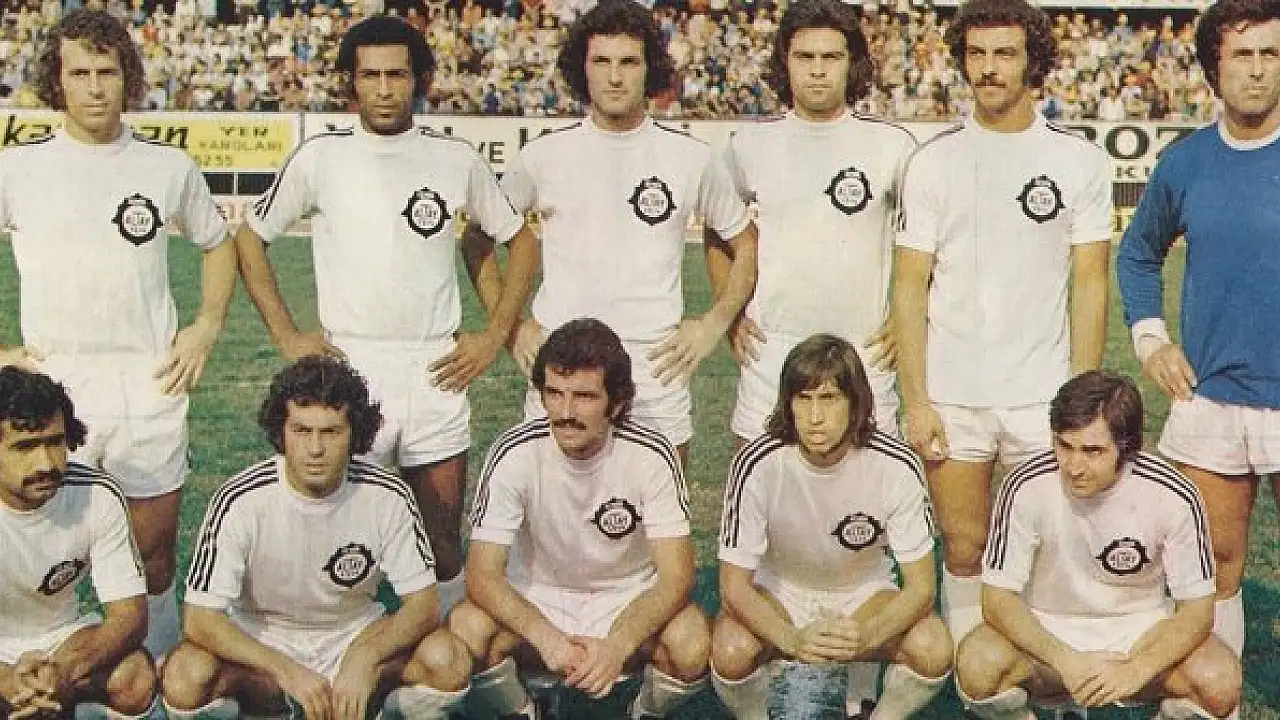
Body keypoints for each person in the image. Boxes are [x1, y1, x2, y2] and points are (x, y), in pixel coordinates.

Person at [236, 15, 538, 616]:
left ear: (418, 80)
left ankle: (449, 658)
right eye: (369, 76)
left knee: (441, 539)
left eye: (396, 75)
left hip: (435, 368)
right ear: (350, 82)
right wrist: (289, 337)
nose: (383, 89)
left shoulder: (454, 158)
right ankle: (348, 646)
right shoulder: (321, 157)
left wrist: (494, 337)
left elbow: (520, 240)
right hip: (352, 363)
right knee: (347, 536)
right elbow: (250, 238)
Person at [0, 9, 235, 658]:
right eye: (79, 73)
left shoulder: (166, 165)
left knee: (152, 554)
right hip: (55, 384)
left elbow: (219, 244)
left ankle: (154, 676)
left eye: (107, 71)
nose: (95, 87)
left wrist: (207, 325)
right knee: (50, 549)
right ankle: (55, 670)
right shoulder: (18, 168)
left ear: (127, 76)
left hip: (148, 381)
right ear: (56, 80)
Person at [892, 0, 1112, 647]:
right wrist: (916, 399)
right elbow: (908, 286)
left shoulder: (1078, 161)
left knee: (1045, 546)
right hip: (954, 395)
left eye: (1005, 54)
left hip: (1041, 397)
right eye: (977, 54)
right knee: (964, 547)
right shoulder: (933, 161)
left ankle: (1044, 677)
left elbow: (1091, 283)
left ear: (1032, 61)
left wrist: (1082, 401)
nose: (989, 68)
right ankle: (974, 678)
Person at [465, 0, 758, 461]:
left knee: (658, 506)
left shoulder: (691, 158)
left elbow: (745, 241)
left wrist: (712, 325)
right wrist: (512, 330)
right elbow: (477, 236)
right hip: (562, 367)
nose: (615, 77)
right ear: (582, 68)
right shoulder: (544, 156)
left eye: (629, 62)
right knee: (555, 506)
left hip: (656, 370)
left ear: (650, 68)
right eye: (601, 61)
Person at [1116, 0, 1280, 698]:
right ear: (1214, 66)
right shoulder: (1185, 163)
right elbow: (1137, 254)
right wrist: (1151, 339)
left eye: (1271, 54)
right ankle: (1218, 700)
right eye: (1242, 54)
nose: (1257, 69)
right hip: (1211, 396)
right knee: (1215, 560)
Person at [161, 357, 472, 720]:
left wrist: (366, 658)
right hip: (263, 643)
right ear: (281, 432)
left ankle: (374, 711)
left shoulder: (387, 495)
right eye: (301, 430)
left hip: (352, 635)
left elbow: (424, 605)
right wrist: (286, 671)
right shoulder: (240, 500)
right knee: (185, 676)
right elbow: (200, 619)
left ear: (355, 433)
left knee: (447, 659)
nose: (315, 448)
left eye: (331, 432)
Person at [450, 318, 708, 720]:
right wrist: (547, 640)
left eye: (584, 397)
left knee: (691, 641)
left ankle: (642, 712)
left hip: (625, 597)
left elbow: (677, 576)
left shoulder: (652, 455)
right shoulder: (514, 453)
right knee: (467, 627)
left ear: (616, 403)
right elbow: (482, 575)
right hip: (541, 596)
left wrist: (619, 644)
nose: (566, 412)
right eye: (555, 394)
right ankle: (524, 712)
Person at [956, 371, 1241, 720]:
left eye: (1092, 451)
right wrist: (1065, 660)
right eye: (1065, 446)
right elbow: (997, 599)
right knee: (978, 664)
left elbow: (1197, 610)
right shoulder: (1024, 485)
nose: (1074, 466)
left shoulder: (1174, 494)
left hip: (1140, 633)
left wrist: (1136, 669)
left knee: (1219, 680)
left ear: (1127, 447)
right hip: (1048, 630)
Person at [710, 335, 951, 720]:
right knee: (730, 648)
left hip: (863, 593)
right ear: (787, 404)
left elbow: (921, 587)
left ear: (856, 403)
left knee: (932, 647)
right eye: (803, 399)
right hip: (781, 592)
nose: (815, 417)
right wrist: (791, 639)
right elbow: (733, 588)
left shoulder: (896, 465)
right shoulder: (756, 464)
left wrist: (866, 637)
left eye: (829, 399)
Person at [708, 0, 915, 447]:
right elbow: (718, 229)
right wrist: (730, 313)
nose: (817, 70)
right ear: (785, 62)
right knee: (761, 482)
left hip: (864, 353)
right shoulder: (749, 145)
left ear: (851, 63)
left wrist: (912, 318)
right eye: (805, 56)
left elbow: (934, 243)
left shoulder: (892, 146)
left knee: (865, 487)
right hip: (771, 353)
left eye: (831, 57)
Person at [0, 367, 157, 720]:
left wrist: (63, 671)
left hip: (62, 637)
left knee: (134, 677)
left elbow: (129, 615)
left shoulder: (95, 494)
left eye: (55, 442)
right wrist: (6, 680)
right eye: (24, 447)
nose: (45, 463)